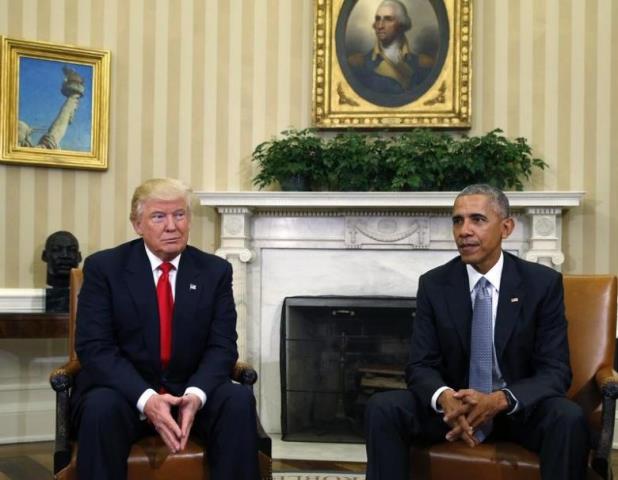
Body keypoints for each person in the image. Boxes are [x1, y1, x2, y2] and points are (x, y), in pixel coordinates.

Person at [365, 184, 589, 480]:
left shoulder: (541, 283)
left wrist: (498, 400)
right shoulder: (435, 284)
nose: (464, 231)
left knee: (568, 417)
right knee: (383, 408)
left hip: (515, 410)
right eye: (458, 220)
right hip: (453, 411)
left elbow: (556, 371)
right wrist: (445, 398)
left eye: (477, 220)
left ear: (506, 227)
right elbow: (420, 365)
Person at [71, 178, 260, 480]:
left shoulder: (214, 271)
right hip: (124, 394)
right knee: (100, 408)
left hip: (189, 392)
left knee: (237, 401)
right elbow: (95, 348)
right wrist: (147, 399)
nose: (172, 226)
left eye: (180, 215)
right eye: (159, 216)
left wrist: (196, 396)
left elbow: (222, 346)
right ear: (137, 224)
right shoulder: (105, 268)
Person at [348, 0, 432, 95]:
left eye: (388, 19)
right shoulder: (359, 64)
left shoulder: (423, 64)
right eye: (378, 19)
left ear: (401, 24)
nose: (380, 26)